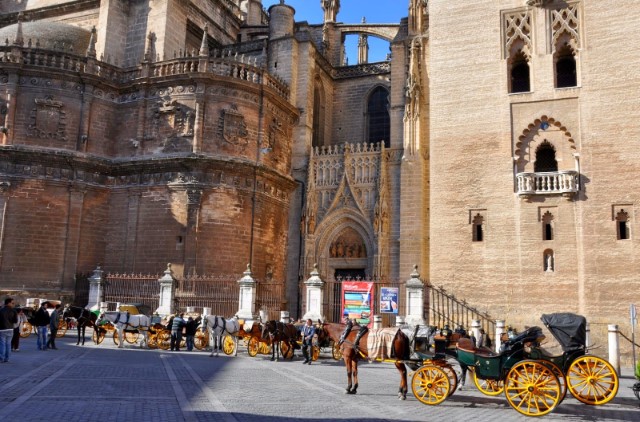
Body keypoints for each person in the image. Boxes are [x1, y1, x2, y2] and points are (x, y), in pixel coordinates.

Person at [0, 297, 18, 363]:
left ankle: (1, 358)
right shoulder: (14, 311)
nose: (13, 304)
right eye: (12, 303)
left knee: (2, 344)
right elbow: (15, 321)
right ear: (9, 303)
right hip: (10, 329)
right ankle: (7, 358)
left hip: (2, 329)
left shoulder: (1, 310)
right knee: (8, 344)